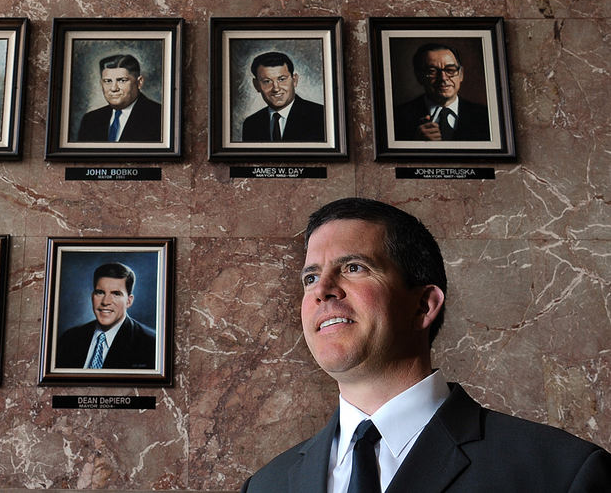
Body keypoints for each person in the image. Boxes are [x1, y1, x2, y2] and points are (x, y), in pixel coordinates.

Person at [241, 197, 611, 492]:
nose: (322, 290)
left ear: (423, 305)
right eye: (310, 277)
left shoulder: (561, 473)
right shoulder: (266, 484)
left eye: (354, 267)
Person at [55, 262, 156, 370]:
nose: (105, 301)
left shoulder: (151, 345)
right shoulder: (69, 338)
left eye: (116, 294)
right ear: (92, 296)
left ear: (129, 301)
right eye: (100, 292)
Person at [393, 42, 490, 141]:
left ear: (461, 74)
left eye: (450, 70)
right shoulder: (397, 118)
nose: (443, 78)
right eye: (432, 71)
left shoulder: (486, 117)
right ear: (419, 76)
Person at [76, 54, 162, 142]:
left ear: (139, 82)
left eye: (122, 80)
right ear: (101, 83)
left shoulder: (160, 117)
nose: (114, 88)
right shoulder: (90, 120)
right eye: (108, 81)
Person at [241, 51, 325, 142]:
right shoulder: (251, 124)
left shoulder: (321, 117)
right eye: (267, 81)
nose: (276, 88)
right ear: (256, 85)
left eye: (282, 79)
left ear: (294, 80)